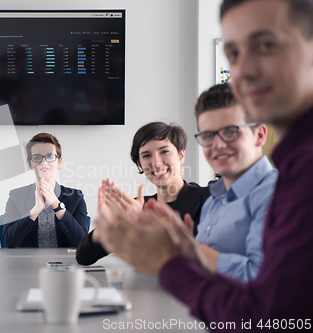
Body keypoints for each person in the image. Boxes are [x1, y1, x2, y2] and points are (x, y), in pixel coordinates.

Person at [95, 0, 313, 330]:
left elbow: (271, 311)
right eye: (234, 54)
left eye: (266, 45)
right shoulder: (215, 200)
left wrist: (171, 260)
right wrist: (183, 251)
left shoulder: (291, 181)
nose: (244, 71)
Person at [76, 122, 210, 265]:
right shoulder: (138, 207)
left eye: (164, 151)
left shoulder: (207, 198)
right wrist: (110, 225)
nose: (156, 163)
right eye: (146, 155)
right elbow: (84, 257)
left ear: (181, 155)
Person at [189, 83, 278, 282]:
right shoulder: (213, 201)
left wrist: (190, 249)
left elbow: (261, 278)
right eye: (208, 136)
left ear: (260, 135)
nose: (218, 145)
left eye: (230, 132)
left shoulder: (278, 193)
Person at [2, 132, 88, 248]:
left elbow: (83, 244)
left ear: (59, 162)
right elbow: (8, 242)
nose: (44, 162)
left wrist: (57, 205)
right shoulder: (16, 196)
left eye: (50, 156)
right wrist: (35, 211)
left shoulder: (76, 197)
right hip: (27, 265)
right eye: (37, 157)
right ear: (30, 163)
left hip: (66, 264)